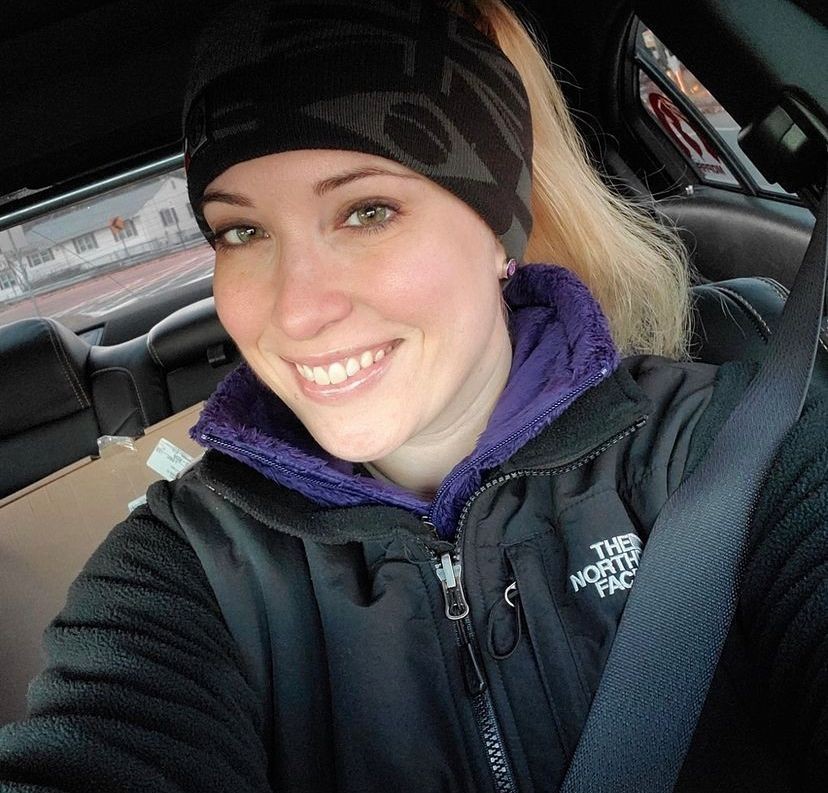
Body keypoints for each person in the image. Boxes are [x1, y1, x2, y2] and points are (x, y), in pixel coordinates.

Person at [0, 1, 826, 791]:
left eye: (367, 211)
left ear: (500, 229)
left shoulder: (745, 453)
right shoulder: (186, 567)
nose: (297, 310)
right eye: (242, 231)